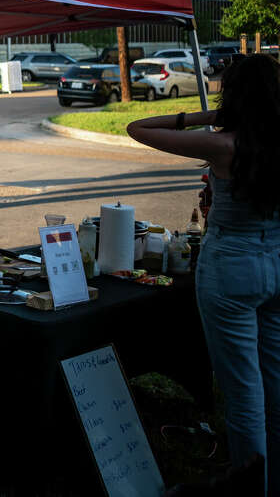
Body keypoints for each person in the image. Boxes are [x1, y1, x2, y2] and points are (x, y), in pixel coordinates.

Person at [128, 54, 280, 494]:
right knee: (275, 382)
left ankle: (252, 484)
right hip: (276, 261)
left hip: (232, 266)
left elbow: (138, 129)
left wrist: (208, 114)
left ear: (234, 97)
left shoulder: (223, 144)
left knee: (243, 390)